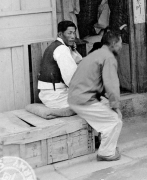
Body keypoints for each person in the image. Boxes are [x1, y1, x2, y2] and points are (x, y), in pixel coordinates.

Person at [68, 30, 123, 161]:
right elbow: (112, 85)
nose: (121, 47)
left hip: (75, 98)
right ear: (114, 43)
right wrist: (116, 107)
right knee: (115, 121)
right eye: (120, 43)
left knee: (107, 112)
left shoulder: (95, 54)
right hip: (84, 100)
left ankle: (105, 145)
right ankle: (106, 153)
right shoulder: (109, 57)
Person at [38, 21, 82, 109]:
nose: (73, 37)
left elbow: (79, 61)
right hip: (57, 97)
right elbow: (71, 78)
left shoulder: (56, 46)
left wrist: (72, 49)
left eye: (74, 33)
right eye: (69, 33)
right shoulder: (62, 49)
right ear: (60, 34)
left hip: (50, 95)